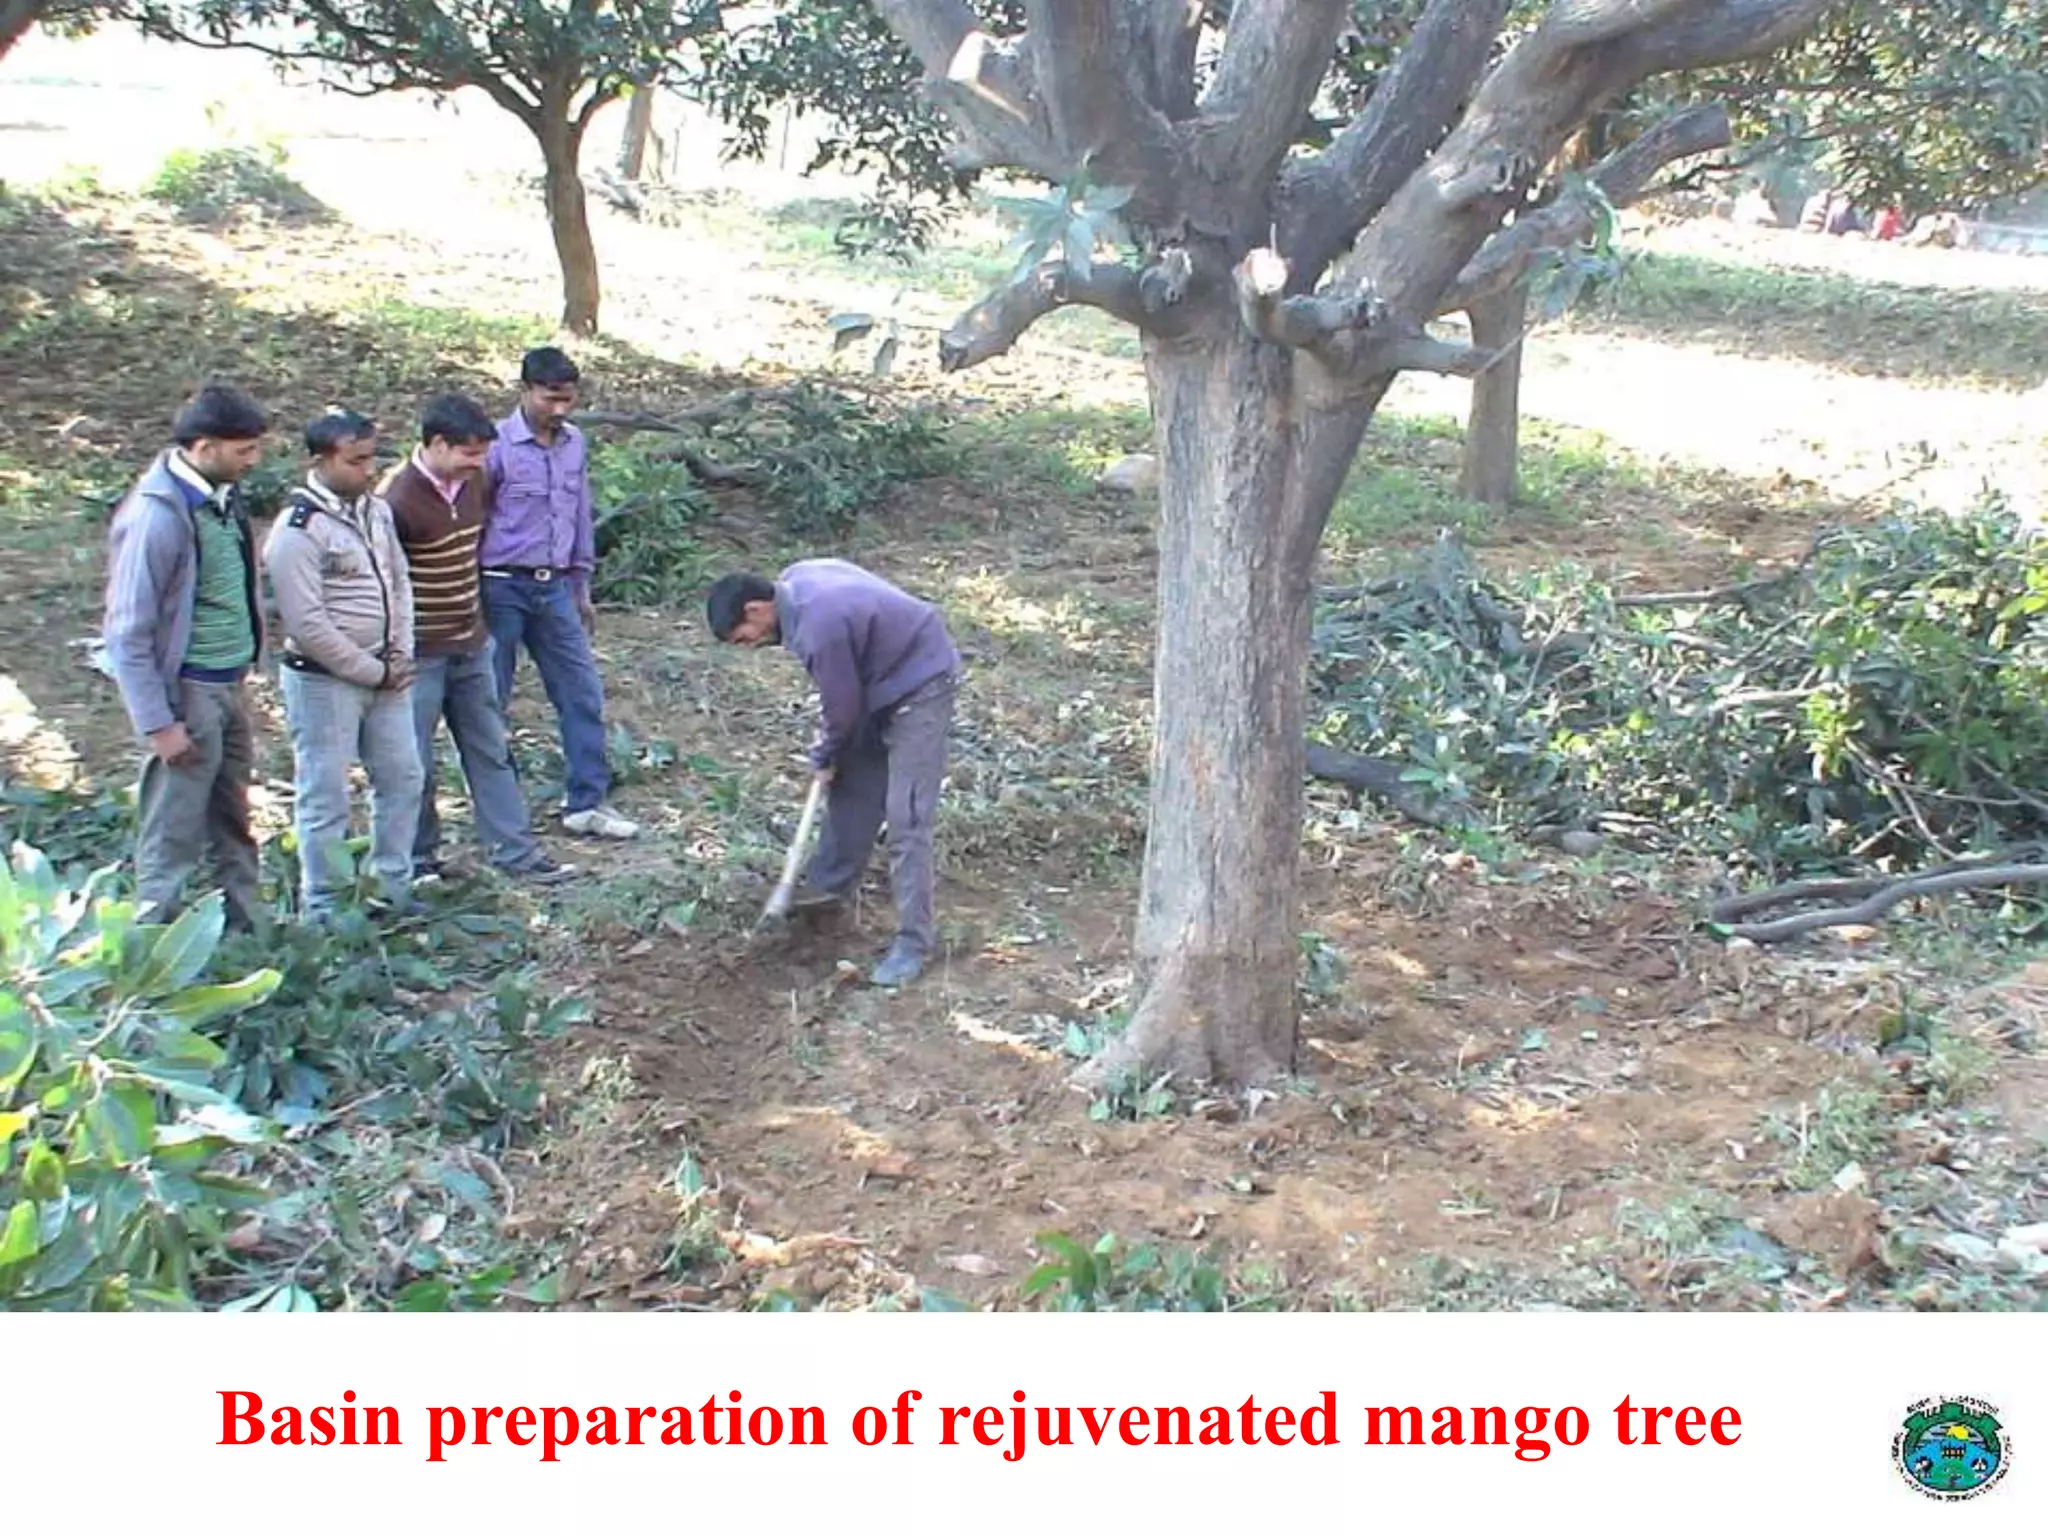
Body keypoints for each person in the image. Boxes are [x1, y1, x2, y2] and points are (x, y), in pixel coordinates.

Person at [706, 559, 962, 988]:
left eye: (742, 637)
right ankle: (825, 895)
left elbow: (840, 709)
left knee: (907, 819)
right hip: (876, 683)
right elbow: (844, 697)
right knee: (850, 787)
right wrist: (833, 756)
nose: (748, 645)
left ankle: (914, 943)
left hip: (922, 683)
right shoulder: (796, 580)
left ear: (755, 610)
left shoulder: (817, 625)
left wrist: (825, 751)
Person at [382, 392, 575, 886]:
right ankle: (420, 860)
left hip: (470, 643)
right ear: (438, 444)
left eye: (482, 454)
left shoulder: (473, 484)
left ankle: (514, 853)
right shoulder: (396, 500)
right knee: (415, 761)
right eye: (469, 453)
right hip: (420, 654)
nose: (478, 464)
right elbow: (384, 582)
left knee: (490, 748)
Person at [102, 383, 269, 930]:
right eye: (243, 450)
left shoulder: (220, 499)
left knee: (234, 816)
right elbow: (127, 631)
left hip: (229, 685)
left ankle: (249, 931)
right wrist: (158, 723)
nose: (254, 461)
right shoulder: (156, 516)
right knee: (172, 829)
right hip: (189, 694)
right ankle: (154, 954)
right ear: (204, 447)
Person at [263, 410, 424, 919]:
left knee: (403, 778)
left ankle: (392, 887)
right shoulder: (297, 531)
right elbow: (308, 624)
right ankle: (325, 907)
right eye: (355, 461)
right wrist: (371, 670)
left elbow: (398, 581)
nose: (368, 469)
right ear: (320, 461)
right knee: (326, 793)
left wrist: (399, 651)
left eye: (371, 457)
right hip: (324, 682)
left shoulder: (375, 511)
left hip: (388, 672)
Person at [477, 346, 639, 841]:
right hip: (500, 586)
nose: (560, 409)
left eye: (568, 399)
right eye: (550, 399)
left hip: (556, 589)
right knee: (489, 702)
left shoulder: (574, 444)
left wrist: (582, 585)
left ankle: (585, 802)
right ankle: (495, 816)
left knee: (582, 692)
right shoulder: (495, 447)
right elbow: (471, 521)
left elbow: (579, 516)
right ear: (525, 391)